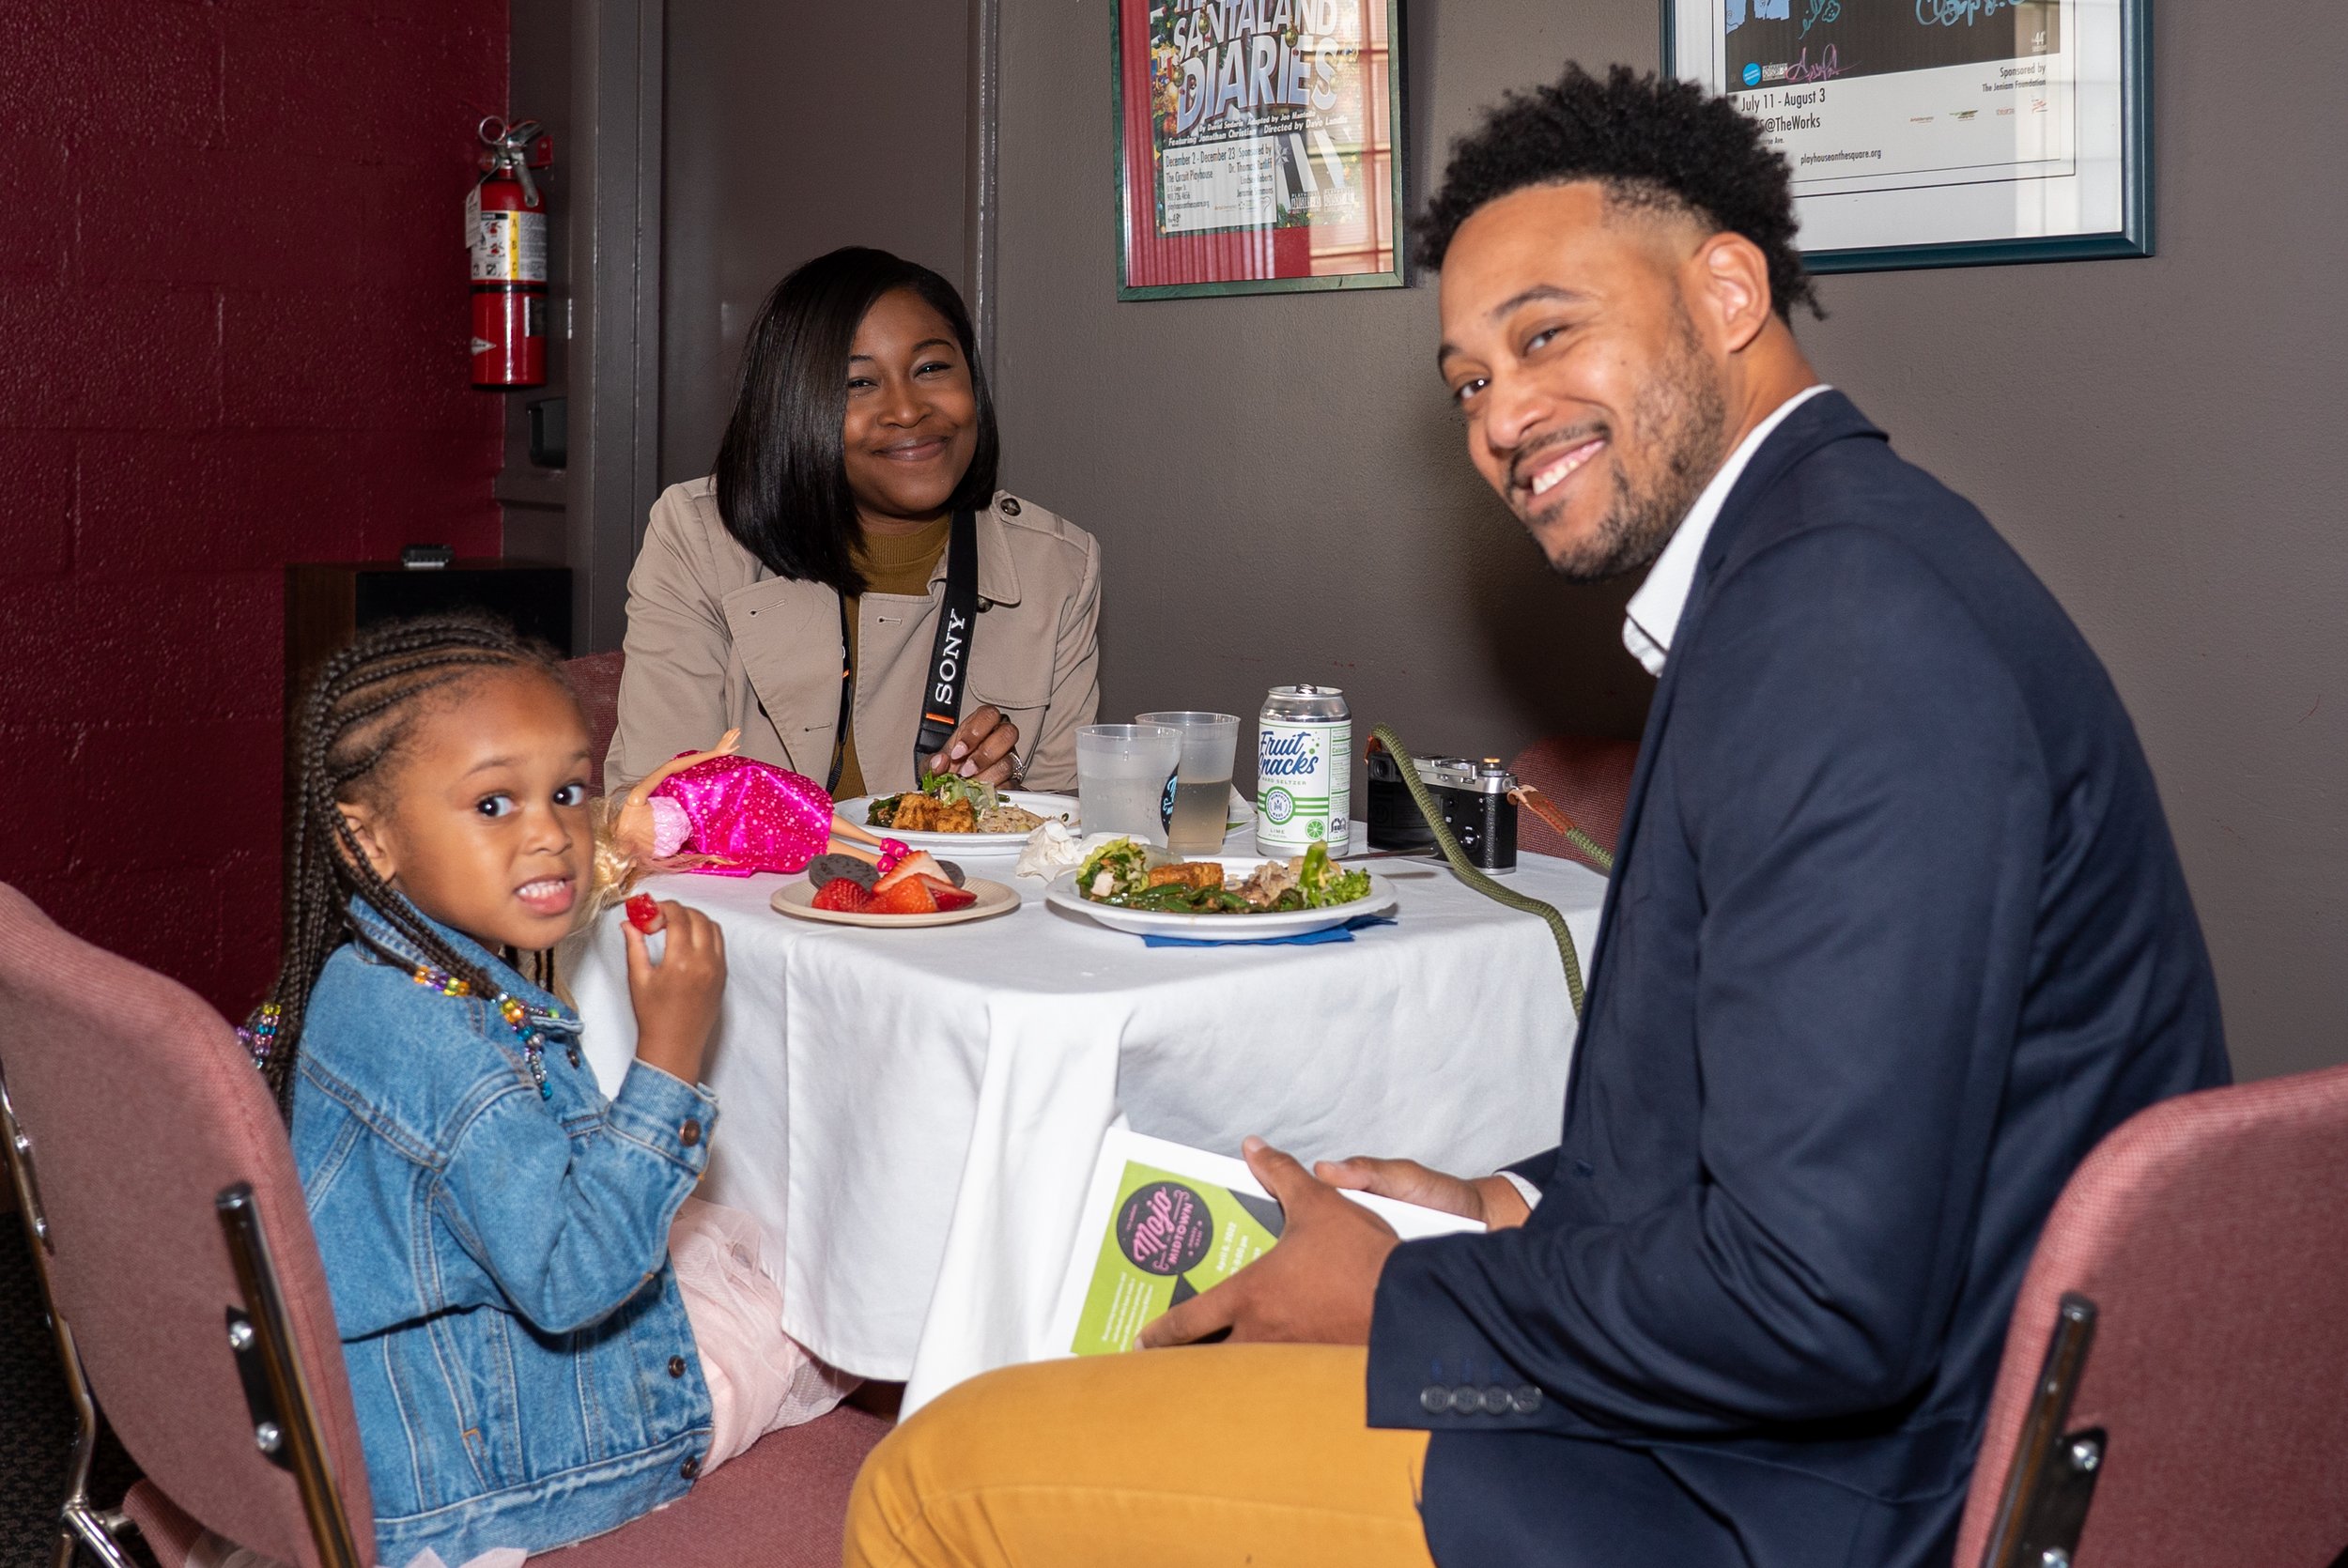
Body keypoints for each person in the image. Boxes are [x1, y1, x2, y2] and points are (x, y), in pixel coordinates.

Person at [842, 64, 2227, 1568]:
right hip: (1808, 1428)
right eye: (1468, 382)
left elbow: (1815, 1304)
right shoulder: (1832, 564)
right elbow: (1791, 1127)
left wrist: (1402, 1303)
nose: (1501, 415)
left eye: (1547, 334)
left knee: (932, 1475)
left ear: (1726, 291)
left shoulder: (1848, 634)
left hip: (1805, 1501)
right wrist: (1502, 1203)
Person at [240, 615, 854, 1566]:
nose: (552, 835)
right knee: (822, 1310)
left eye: (567, 792)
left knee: (738, 1243)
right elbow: (575, 1279)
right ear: (368, 839)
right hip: (469, 1477)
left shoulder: (364, 975)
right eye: (494, 804)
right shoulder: (451, 1052)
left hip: (390, 1411)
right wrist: (670, 1056)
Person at [607, 247, 1102, 798]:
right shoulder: (702, 538)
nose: (908, 411)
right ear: (794, 406)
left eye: (931, 368)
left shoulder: (1057, 566)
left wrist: (1003, 800)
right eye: (859, 383)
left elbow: (1067, 828)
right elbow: (657, 810)